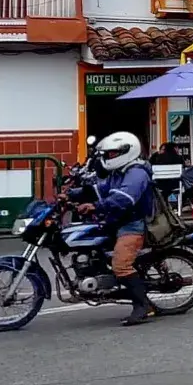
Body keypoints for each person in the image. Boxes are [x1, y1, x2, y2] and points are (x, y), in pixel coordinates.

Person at [73, 132, 160, 326]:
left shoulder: (136, 173)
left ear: (126, 152)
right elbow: (99, 189)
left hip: (133, 224)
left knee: (121, 265)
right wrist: (71, 195)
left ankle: (144, 306)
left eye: (112, 154)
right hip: (117, 221)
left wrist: (96, 206)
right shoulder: (119, 172)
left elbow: (124, 198)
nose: (108, 158)